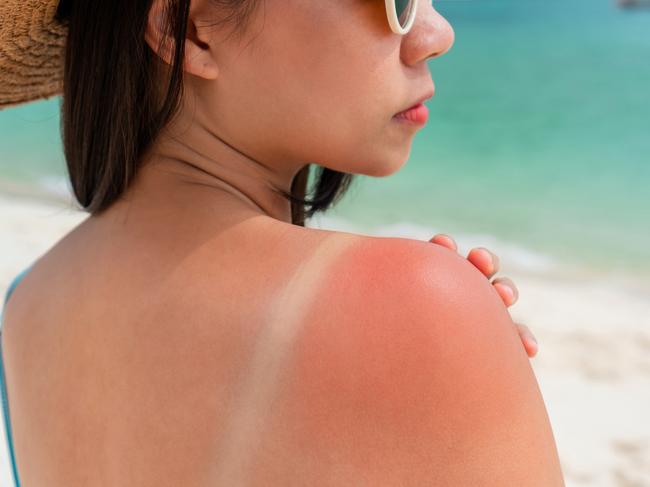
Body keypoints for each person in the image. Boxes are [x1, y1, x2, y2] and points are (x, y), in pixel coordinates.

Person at [0, 0, 565, 485]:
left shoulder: (24, 307)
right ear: (189, 30)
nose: (437, 36)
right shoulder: (419, 303)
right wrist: (452, 336)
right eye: (395, 1)